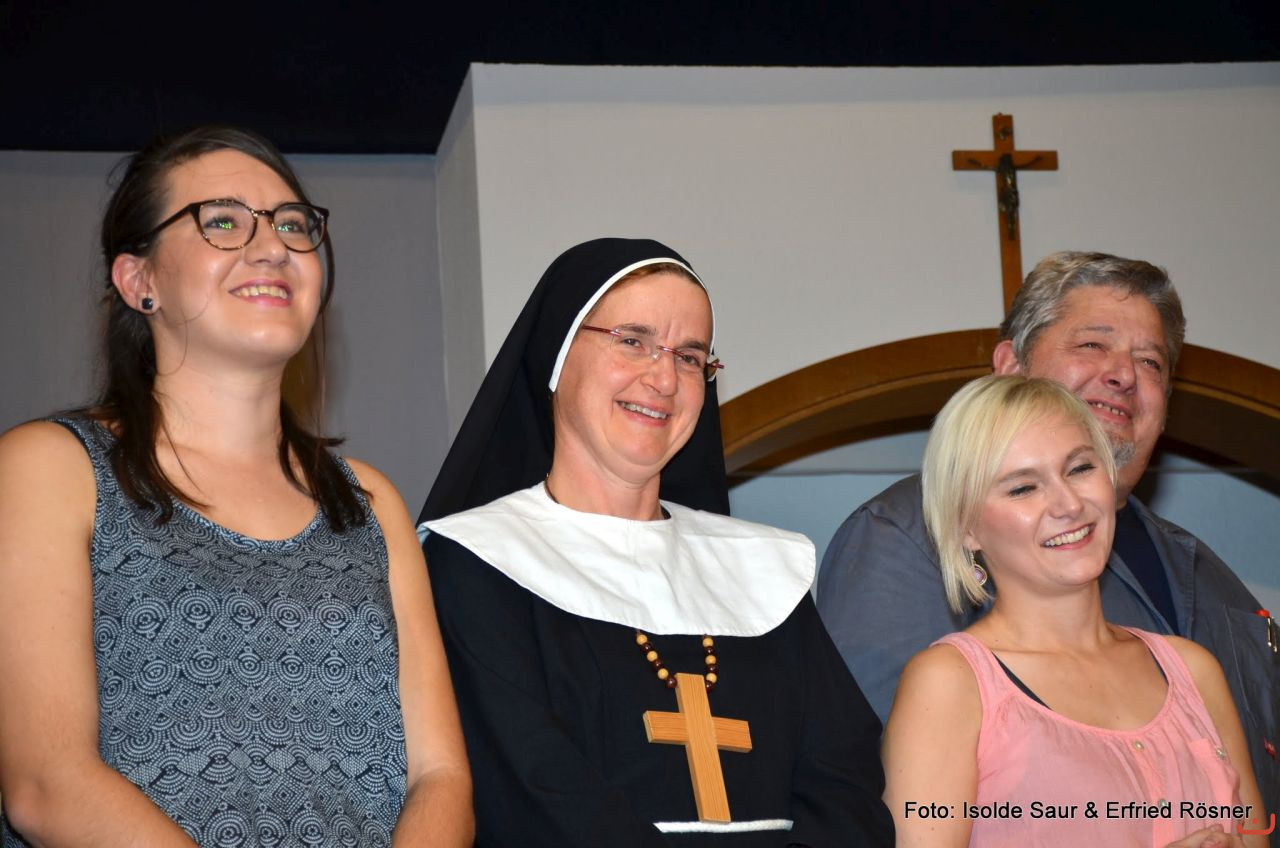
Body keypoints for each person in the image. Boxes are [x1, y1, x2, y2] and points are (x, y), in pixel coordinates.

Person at [0, 126, 471, 846]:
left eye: (293, 224)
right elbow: (47, 782)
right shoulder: (50, 468)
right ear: (139, 280)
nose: (274, 246)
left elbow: (439, 776)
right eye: (222, 221)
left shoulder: (369, 503)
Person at [419, 238, 893, 846]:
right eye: (632, 341)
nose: (665, 378)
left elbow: (846, 784)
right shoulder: (476, 562)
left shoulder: (761, 569)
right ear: (556, 357)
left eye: (690, 357)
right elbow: (531, 791)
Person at [815, 251, 1278, 827]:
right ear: (1011, 365)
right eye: (1093, 344)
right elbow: (874, 794)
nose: (1125, 374)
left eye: (1150, 361)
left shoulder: (1208, 575)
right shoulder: (905, 537)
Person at [883, 374, 1266, 847]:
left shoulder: (1193, 670)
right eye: (1023, 488)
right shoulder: (950, 684)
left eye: (1081, 468)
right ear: (967, 528)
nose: (1068, 504)